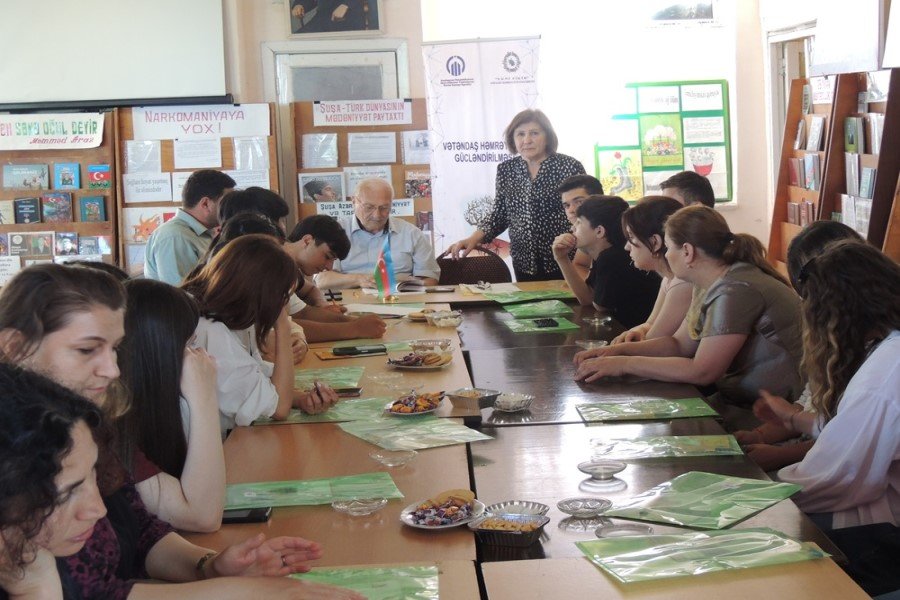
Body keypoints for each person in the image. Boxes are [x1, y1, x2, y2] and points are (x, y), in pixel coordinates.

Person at [0, 270, 361, 599]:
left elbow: (139, 529)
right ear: (13, 348)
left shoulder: (86, 424)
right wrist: (245, 593)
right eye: (87, 350)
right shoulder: (19, 446)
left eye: (115, 349)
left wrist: (209, 565)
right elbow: (95, 592)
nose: (112, 370)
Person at [573, 206, 803, 424]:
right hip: (745, 403)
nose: (667, 255)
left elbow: (702, 371)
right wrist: (613, 353)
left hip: (775, 414)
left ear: (687, 251)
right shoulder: (709, 282)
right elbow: (679, 345)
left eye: (669, 248)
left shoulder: (735, 288)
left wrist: (624, 364)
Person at [752, 241, 900, 529]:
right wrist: (794, 419)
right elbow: (858, 430)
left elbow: (839, 476)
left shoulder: (888, 367)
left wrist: (757, 494)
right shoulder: (887, 346)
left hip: (882, 524)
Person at [734, 220, 864, 472]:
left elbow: (848, 436)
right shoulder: (828, 332)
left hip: (835, 464)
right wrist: (760, 436)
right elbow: (807, 407)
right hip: (812, 450)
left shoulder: (869, 343)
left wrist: (783, 455)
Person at [182, 235, 339, 435]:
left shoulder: (233, 316)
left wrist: (301, 399)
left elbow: (260, 381)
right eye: (281, 296)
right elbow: (279, 409)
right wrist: (282, 326)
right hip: (210, 446)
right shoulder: (211, 331)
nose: (282, 303)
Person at [118, 279, 225, 533]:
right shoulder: (113, 432)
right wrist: (203, 398)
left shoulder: (154, 411)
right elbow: (203, 516)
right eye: (188, 345)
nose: (198, 357)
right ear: (156, 353)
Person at [448, 109, 586, 281]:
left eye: (534, 133)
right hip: (524, 262)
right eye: (520, 134)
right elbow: (500, 214)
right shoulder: (506, 170)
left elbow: (585, 212)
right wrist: (473, 238)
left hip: (566, 256)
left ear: (548, 136)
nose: (526, 140)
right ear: (513, 139)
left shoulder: (569, 166)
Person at [551, 196, 660, 329]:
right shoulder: (605, 254)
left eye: (579, 222)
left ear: (599, 231)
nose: (573, 228)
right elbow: (587, 299)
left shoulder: (612, 258)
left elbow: (598, 306)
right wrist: (562, 258)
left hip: (635, 334)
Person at [316, 178, 440, 290]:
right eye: (369, 207)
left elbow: (430, 280)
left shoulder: (411, 233)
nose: (377, 215)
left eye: (384, 208)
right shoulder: (335, 232)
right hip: (349, 303)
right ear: (354, 201)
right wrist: (360, 279)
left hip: (400, 301)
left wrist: (391, 282)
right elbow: (322, 280)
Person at [287, 216, 387, 342]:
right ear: (307, 241)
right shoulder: (272, 266)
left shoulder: (290, 270)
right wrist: (354, 328)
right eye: (327, 256)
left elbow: (303, 310)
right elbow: (283, 327)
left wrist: (322, 306)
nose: (329, 267)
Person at [609, 196, 693, 344]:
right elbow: (650, 324)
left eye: (631, 238)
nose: (626, 247)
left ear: (655, 242)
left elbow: (655, 338)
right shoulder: (668, 278)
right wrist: (635, 331)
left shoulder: (682, 283)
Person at [144, 170, 235, 285]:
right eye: (226, 202)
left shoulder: (204, 232)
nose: (230, 207)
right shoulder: (175, 237)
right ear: (205, 204)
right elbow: (182, 292)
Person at [557, 174, 604, 279]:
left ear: (599, 199)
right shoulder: (586, 231)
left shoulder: (618, 229)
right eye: (567, 205)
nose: (571, 210)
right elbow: (580, 265)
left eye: (579, 202)